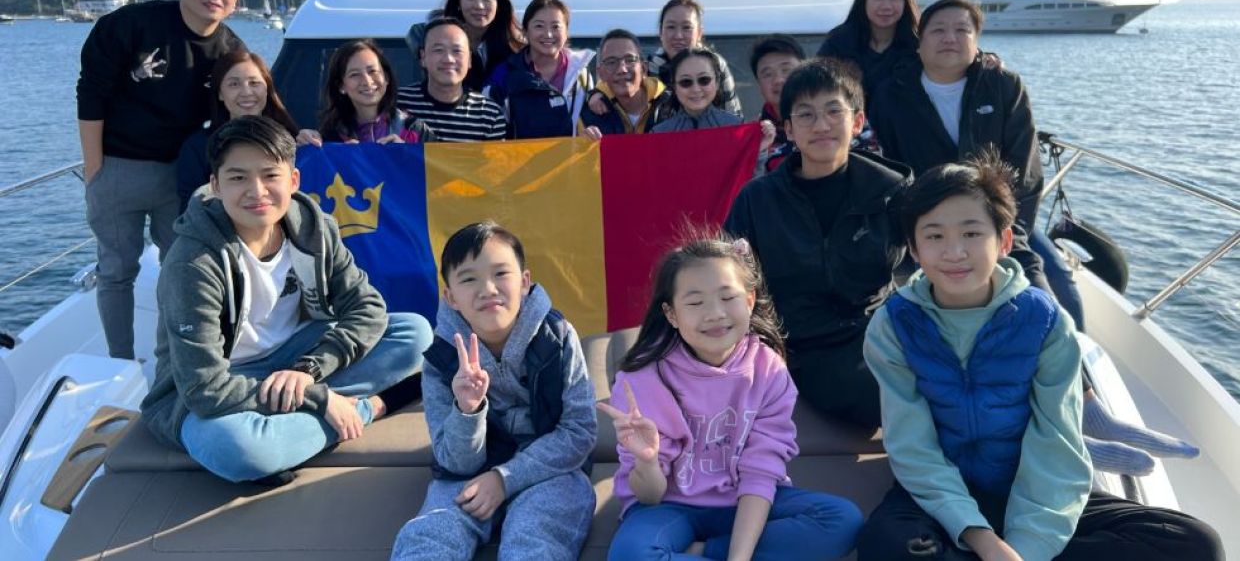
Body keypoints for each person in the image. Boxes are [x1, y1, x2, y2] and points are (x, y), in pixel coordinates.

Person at [857, 157, 1222, 561]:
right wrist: (982, 538)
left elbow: (1057, 442)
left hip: (1033, 482)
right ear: (913, 248)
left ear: (1004, 240)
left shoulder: (1044, 321)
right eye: (935, 236)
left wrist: (1026, 550)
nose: (954, 251)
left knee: (1193, 543)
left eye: (972, 232)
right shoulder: (893, 325)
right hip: (940, 491)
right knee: (886, 547)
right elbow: (914, 448)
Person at [140, 116, 433, 484]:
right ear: (214, 185)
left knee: (414, 333)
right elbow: (203, 388)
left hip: (294, 358)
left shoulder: (314, 228)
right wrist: (320, 398)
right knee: (238, 451)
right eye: (237, 177)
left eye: (269, 175)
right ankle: (362, 410)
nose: (256, 190)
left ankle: (288, 426)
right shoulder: (192, 261)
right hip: (218, 383)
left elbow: (368, 308)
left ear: (293, 180)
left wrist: (307, 371)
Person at [599, 233, 864, 561]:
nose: (715, 314)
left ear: (750, 301)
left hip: (746, 501)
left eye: (728, 297)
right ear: (671, 314)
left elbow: (761, 471)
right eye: (695, 303)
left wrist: (737, 556)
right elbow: (649, 497)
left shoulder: (768, 367)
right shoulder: (641, 377)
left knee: (843, 520)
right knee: (629, 554)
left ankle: (701, 552)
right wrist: (648, 460)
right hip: (669, 507)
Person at [866, 0, 1082, 329]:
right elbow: (888, 168)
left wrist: (1006, 231)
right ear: (919, 43)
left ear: (977, 42)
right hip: (927, 223)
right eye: (937, 30)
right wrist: (915, 232)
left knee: (1059, 285)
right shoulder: (891, 95)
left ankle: (1078, 374)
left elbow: (1024, 171)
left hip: (999, 216)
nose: (949, 38)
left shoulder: (1003, 86)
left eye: (962, 30)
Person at [77, 0, 246, 359]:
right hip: (120, 167)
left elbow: (247, 105)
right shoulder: (131, 25)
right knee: (117, 271)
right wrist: (95, 169)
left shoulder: (231, 50)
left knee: (180, 272)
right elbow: (91, 94)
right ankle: (119, 361)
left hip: (183, 176)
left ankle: (169, 362)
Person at [391, 221, 596, 561]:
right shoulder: (442, 358)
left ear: (525, 282)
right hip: (469, 475)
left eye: (501, 274)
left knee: (535, 536)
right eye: (469, 279)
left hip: (549, 469)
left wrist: (505, 479)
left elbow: (579, 432)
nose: (488, 289)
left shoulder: (557, 338)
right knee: (431, 537)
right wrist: (467, 411)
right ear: (451, 297)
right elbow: (452, 459)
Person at [724, 59, 910, 427]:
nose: (822, 125)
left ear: (857, 122)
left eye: (833, 111)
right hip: (804, 343)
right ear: (789, 129)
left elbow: (931, 263)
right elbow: (728, 275)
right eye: (806, 115)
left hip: (883, 331)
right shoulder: (758, 199)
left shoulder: (892, 192)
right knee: (877, 399)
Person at [175, 50, 299, 211]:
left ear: (267, 89)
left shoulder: (291, 140)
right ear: (219, 93)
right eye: (234, 84)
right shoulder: (197, 147)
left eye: (254, 83)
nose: (246, 92)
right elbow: (190, 208)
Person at [484, 0, 595, 138]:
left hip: (569, 159)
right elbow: (488, 127)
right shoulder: (503, 74)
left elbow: (590, 120)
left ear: (566, 32)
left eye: (556, 27)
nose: (548, 34)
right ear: (525, 32)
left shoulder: (581, 75)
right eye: (539, 26)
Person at [406, 0, 524, 92]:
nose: (479, 5)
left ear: (499, 3)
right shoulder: (425, 39)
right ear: (458, 1)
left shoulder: (516, 50)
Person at [297, 40, 434, 146]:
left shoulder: (416, 130)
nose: (367, 81)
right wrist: (303, 147)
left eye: (372, 71)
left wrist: (407, 155)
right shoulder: (328, 138)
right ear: (341, 86)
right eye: (354, 74)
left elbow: (443, 176)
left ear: (386, 77)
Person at [817, 0, 920, 103]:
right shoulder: (839, 42)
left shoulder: (918, 46)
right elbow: (816, 86)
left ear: (906, 2)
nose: (886, 6)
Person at [396, 18, 507, 142]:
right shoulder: (396, 103)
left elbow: (496, 161)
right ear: (423, 57)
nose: (448, 59)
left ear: (469, 59)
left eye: (457, 51)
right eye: (438, 50)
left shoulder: (489, 115)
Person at [648, 0, 742, 116]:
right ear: (660, 33)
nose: (678, 36)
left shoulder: (715, 65)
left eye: (687, 28)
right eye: (671, 27)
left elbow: (733, 118)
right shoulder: (649, 69)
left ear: (699, 33)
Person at [579, 28, 674, 135]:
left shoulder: (671, 107)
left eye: (630, 60)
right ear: (601, 74)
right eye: (612, 62)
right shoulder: (587, 117)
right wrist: (584, 146)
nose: (622, 69)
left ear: (644, 68)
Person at [652, 47, 745, 133]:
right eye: (686, 82)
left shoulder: (736, 127)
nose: (696, 89)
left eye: (704, 80)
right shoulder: (660, 133)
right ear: (674, 87)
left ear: (717, 82)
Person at [749, 34, 805, 173]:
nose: (778, 80)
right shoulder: (754, 136)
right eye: (767, 74)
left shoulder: (831, 120)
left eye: (786, 70)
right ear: (759, 85)